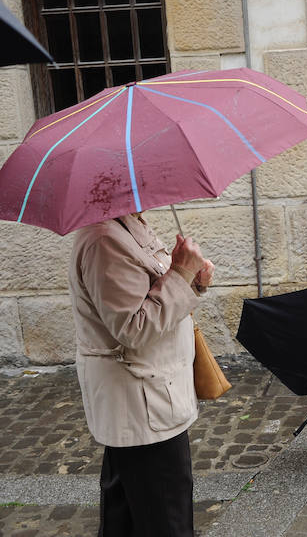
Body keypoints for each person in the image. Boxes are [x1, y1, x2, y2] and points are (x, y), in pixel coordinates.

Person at [68, 212, 214, 536]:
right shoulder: (105, 240)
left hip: (149, 401)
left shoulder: (127, 225)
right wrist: (180, 274)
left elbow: (153, 293)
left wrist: (192, 280)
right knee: (166, 521)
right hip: (143, 407)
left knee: (127, 520)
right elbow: (133, 328)